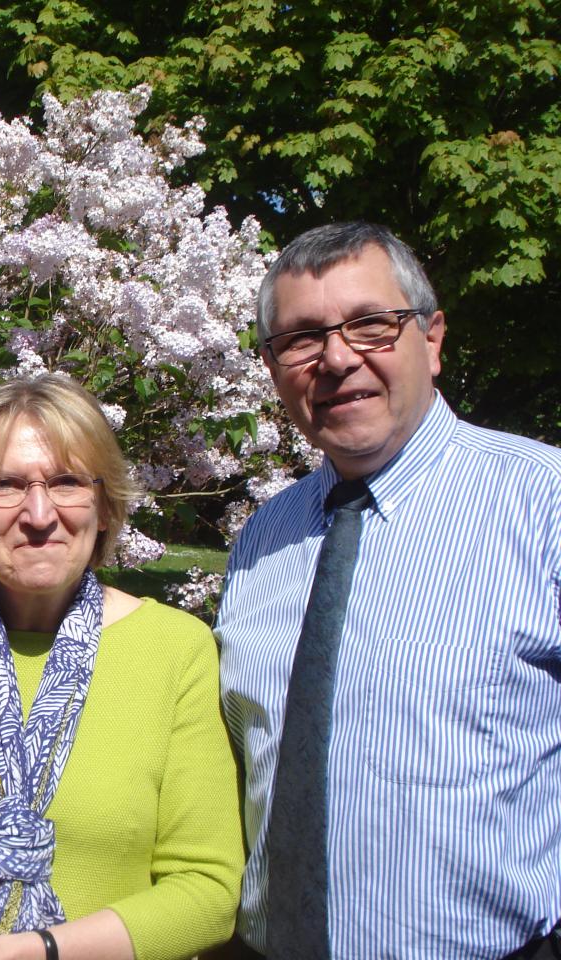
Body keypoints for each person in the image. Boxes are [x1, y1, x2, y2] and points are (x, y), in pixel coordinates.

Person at [214, 222, 561, 959]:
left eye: (372, 323)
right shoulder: (261, 541)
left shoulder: (544, 506)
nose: (337, 358)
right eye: (302, 339)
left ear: (432, 339)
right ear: (274, 369)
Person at [0, 374, 243, 960]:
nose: (39, 514)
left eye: (66, 482)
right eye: (7, 486)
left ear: (105, 504)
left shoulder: (176, 651)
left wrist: (33, 951)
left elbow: (208, 890)